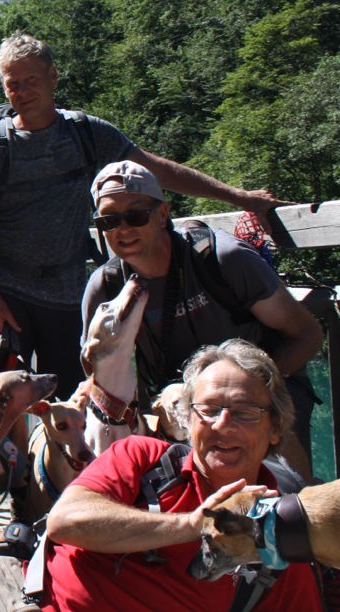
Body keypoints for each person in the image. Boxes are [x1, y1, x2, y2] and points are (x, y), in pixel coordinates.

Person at [0, 340, 322, 612]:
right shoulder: (143, 457)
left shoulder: (282, 531)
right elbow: (67, 520)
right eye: (208, 410)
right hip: (9, 588)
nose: (221, 425)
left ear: (276, 427)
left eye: (244, 412)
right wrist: (195, 525)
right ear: (189, 420)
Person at [0, 33, 284, 397]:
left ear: (53, 76)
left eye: (31, 80)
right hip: (9, 293)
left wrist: (239, 197)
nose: (22, 91)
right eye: (12, 84)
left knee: (71, 399)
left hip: (67, 294)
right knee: (0, 399)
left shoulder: (87, 134)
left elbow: (158, 171)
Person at [81, 161, 322, 460]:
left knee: (279, 479)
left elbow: (308, 335)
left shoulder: (223, 260)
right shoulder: (106, 288)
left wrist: (245, 393)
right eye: (109, 221)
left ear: (163, 215)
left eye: (136, 215)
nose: (123, 229)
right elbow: (97, 374)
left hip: (263, 393)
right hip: (176, 408)